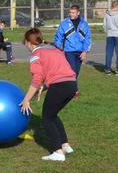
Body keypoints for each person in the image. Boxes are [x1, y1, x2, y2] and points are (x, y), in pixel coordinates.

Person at [19, 28, 78, 162]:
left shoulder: (36, 54)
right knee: (53, 115)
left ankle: (58, 152)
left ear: (28, 42)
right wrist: (44, 87)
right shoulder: (53, 50)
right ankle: (65, 145)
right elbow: (57, 71)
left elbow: (37, 79)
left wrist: (26, 100)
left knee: (47, 117)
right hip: (72, 85)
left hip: (60, 86)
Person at [54, 5, 91, 79]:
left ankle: (71, 88)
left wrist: (85, 51)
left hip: (80, 52)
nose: (71, 14)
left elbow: (88, 38)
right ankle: (74, 90)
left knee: (76, 72)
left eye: (73, 13)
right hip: (69, 51)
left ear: (78, 13)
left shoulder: (84, 24)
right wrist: (59, 46)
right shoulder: (64, 23)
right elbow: (58, 36)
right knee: (72, 72)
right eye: (70, 12)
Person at [103, 1, 118, 76]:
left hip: (110, 35)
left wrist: (107, 32)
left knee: (109, 53)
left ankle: (107, 69)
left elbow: (104, 26)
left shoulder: (107, 15)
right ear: (117, 6)